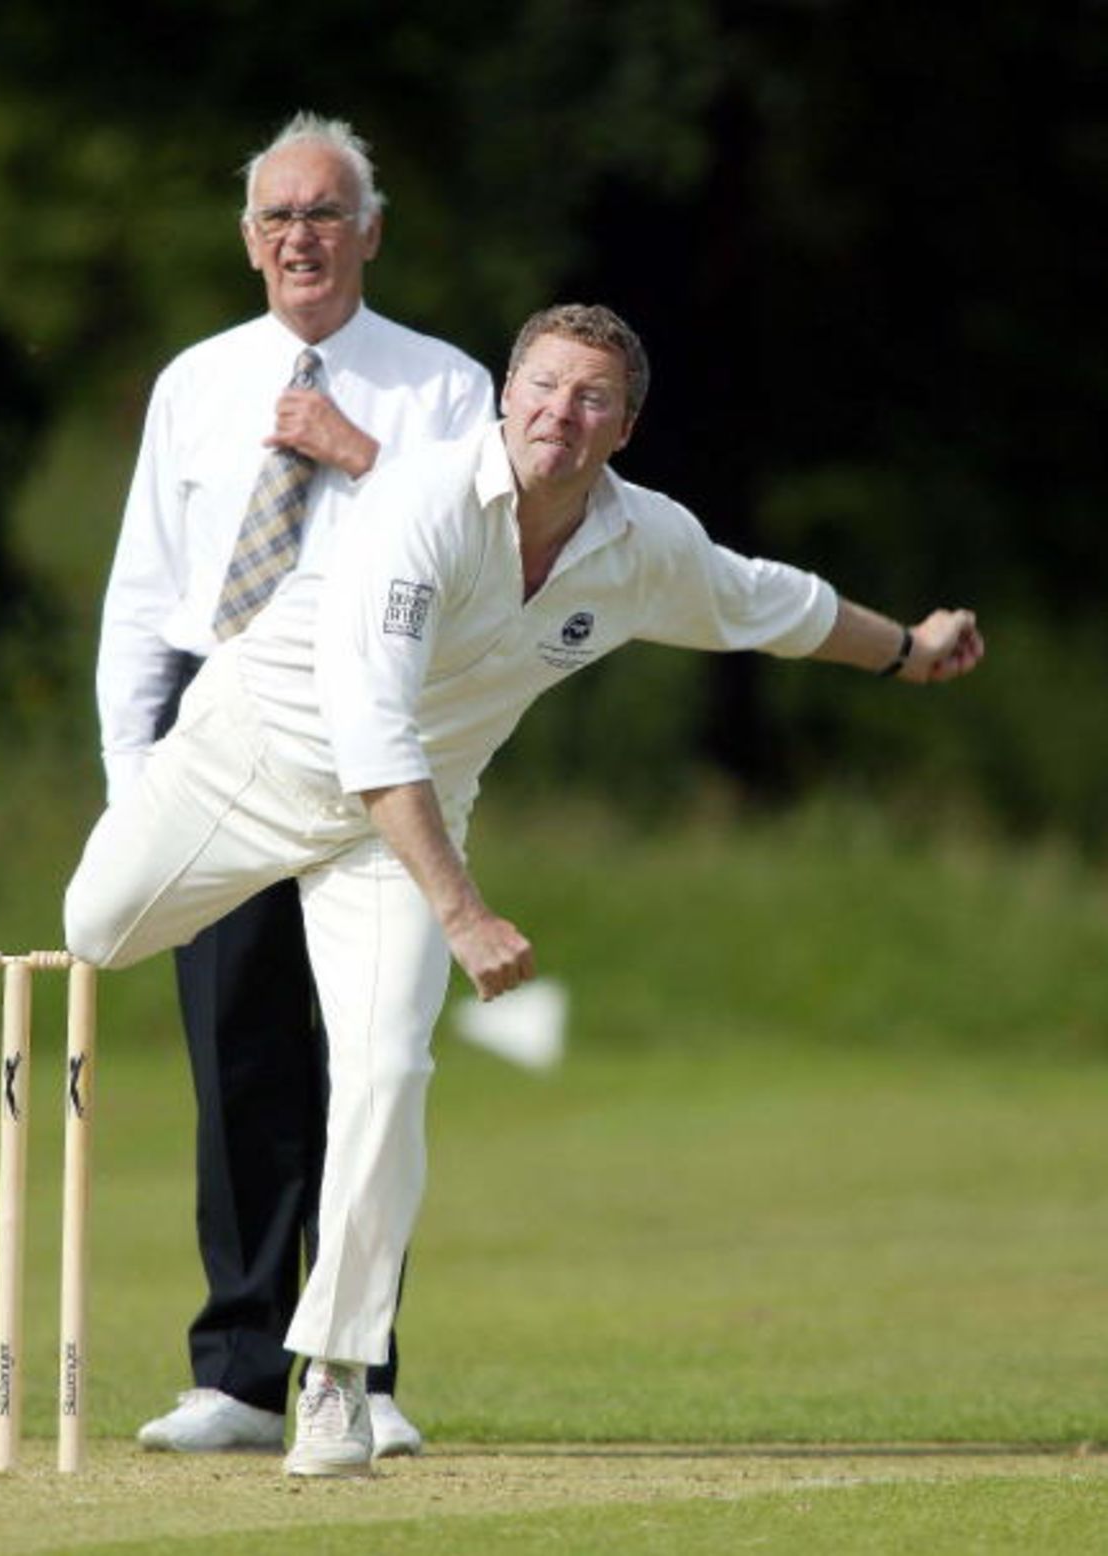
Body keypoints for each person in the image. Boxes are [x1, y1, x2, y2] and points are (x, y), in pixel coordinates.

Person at [66, 302, 985, 1478]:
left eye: (591, 397)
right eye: (543, 386)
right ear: (504, 395)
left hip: (395, 831)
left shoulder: (643, 542)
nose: (561, 412)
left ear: (624, 427)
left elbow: (771, 603)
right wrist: (464, 912)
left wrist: (904, 646)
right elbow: (370, 727)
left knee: (387, 1069)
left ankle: (336, 1377)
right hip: (254, 758)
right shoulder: (419, 503)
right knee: (92, 928)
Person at [94, 110, 495, 1459]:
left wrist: (356, 452)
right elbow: (146, 594)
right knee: (240, 1055)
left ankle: (358, 1373)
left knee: (371, 1063)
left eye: (325, 213)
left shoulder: (442, 387)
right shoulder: (196, 381)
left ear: (369, 232)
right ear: (248, 239)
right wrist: (132, 778)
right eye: (277, 216)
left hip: (380, 745)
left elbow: (481, 560)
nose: (300, 237)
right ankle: (240, 1371)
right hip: (222, 740)